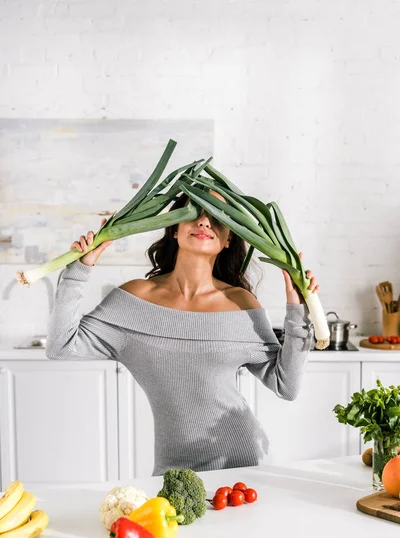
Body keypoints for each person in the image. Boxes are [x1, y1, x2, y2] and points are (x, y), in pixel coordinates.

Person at [46, 191, 319, 475]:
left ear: (228, 240)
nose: (203, 221)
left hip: (241, 462)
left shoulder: (240, 304)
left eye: (218, 218)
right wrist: (79, 269)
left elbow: (286, 386)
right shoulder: (134, 300)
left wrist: (298, 309)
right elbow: (61, 346)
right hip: (171, 468)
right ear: (175, 229)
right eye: (193, 212)